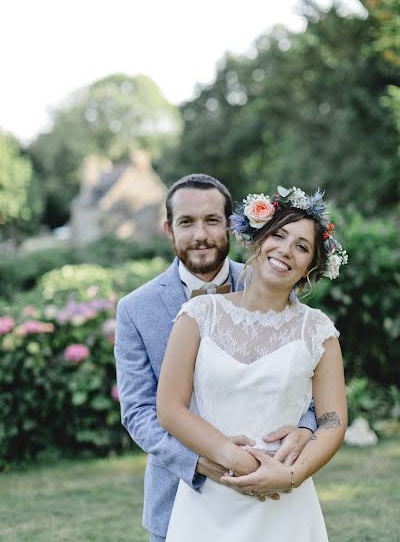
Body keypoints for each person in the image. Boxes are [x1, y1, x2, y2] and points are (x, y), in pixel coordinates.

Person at [115, 175, 318, 542]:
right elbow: (138, 410)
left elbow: (302, 371)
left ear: (231, 225)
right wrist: (201, 462)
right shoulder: (135, 309)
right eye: (186, 222)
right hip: (180, 493)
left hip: (269, 487)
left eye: (211, 220)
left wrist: (304, 430)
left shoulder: (273, 281)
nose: (200, 235)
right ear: (168, 229)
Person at [157, 185, 348, 541]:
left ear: (311, 267)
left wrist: (290, 475)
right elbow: (169, 408)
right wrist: (236, 459)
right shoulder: (199, 315)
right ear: (256, 239)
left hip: (284, 499)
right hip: (210, 499)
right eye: (279, 235)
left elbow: (332, 422)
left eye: (302, 246)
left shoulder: (318, 331)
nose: (286, 250)